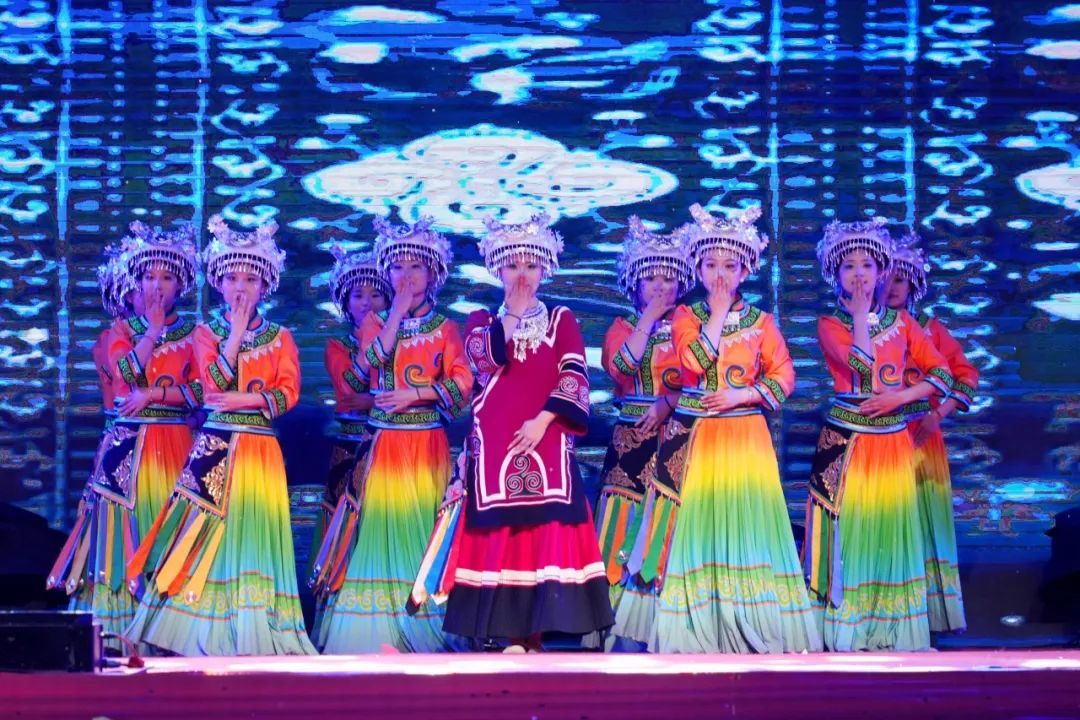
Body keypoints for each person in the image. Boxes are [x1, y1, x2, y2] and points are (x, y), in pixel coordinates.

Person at [125, 215, 316, 655]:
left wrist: (245, 400)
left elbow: (287, 394)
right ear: (217, 283)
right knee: (203, 530)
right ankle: (194, 626)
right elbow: (211, 388)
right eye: (231, 278)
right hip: (215, 447)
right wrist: (235, 335)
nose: (239, 288)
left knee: (253, 531)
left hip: (259, 449)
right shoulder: (206, 333)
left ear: (265, 286)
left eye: (250, 279)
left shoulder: (282, 337)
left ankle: (254, 624)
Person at [645, 204, 819, 653]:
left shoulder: (762, 322)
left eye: (729, 266)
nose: (720, 275)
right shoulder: (686, 317)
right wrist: (718, 313)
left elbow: (784, 376)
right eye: (710, 265)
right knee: (703, 526)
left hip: (746, 438)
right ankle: (703, 625)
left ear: (745, 270)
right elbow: (691, 364)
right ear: (698, 269)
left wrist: (742, 395)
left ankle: (754, 620)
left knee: (748, 525)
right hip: (701, 438)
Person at [438, 213, 614, 653]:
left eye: (531, 266)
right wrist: (513, 314)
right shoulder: (480, 320)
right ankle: (511, 634)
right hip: (495, 446)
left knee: (546, 530)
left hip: (546, 438)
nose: (522, 275)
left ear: (545, 270)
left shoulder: (561, 319)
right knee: (502, 533)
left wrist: (543, 421)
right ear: (497, 270)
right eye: (513, 266)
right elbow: (485, 361)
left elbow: (574, 373)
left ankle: (535, 635)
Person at [320, 216, 471, 653]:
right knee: (380, 531)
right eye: (398, 267)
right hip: (384, 445)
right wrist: (397, 314)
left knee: (424, 529)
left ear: (434, 274)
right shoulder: (375, 323)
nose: (406, 275)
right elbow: (360, 372)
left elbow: (462, 385)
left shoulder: (446, 329)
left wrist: (416, 394)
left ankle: (425, 625)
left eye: (416, 267)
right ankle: (378, 631)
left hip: (426, 445)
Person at [48, 222, 199, 651]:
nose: (156, 286)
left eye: (166, 277)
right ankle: (117, 633)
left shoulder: (195, 335)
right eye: (148, 277)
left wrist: (157, 394)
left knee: (168, 529)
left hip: (174, 445)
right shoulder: (119, 332)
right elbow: (126, 373)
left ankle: (166, 630)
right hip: (126, 449)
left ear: (181, 285)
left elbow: (202, 391)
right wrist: (151, 331)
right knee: (121, 535)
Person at [806, 217, 954, 652]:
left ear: (881, 271)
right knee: (851, 532)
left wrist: (900, 398)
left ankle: (894, 630)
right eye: (849, 266)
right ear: (835, 274)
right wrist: (858, 315)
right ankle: (847, 631)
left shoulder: (903, 322)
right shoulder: (830, 323)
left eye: (867, 265)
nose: (859, 274)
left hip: (891, 441)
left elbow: (942, 375)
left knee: (890, 532)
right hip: (848, 443)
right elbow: (861, 365)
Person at [592, 216, 692, 650]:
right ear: (633, 283)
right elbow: (620, 368)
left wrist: (668, 402)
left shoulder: (692, 325)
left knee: (670, 525)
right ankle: (615, 624)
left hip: (679, 437)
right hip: (631, 440)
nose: (660, 286)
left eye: (668, 279)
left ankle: (665, 627)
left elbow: (704, 375)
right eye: (650, 278)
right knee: (623, 524)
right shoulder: (622, 327)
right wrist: (648, 318)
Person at [880, 231, 978, 634]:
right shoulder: (867, 327)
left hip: (921, 435)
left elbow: (965, 376)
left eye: (900, 279)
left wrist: (939, 413)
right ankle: (888, 609)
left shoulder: (930, 329)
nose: (892, 287)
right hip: (878, 435)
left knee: (923, 518)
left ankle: (928, 613)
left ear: (913, 286)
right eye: (886, 278)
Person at [308, 248, 390, 649]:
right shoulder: (337, 345)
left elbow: (371, 397)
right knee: (344, 526)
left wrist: (376, 400)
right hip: (351, 446)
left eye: (376, 294)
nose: (367, 303)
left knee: (379, 527)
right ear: (344, 301)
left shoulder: (402, 338)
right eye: (358, 295)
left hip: (388, 445)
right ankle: (339, 622)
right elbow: (350, 391)